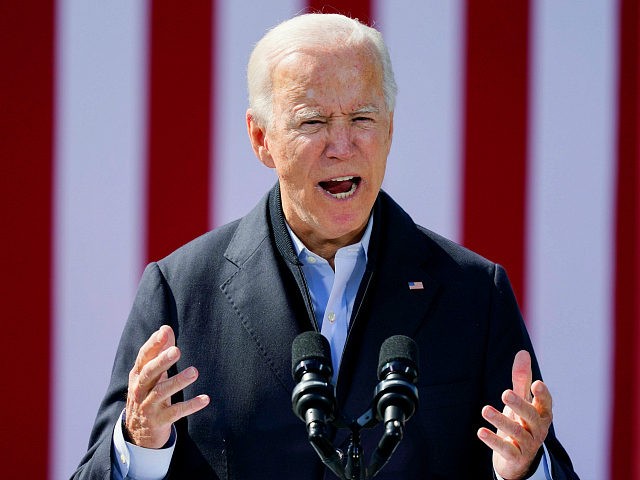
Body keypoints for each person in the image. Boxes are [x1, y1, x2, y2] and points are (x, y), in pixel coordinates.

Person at [73, 13, 578, 479]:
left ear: (390, 130)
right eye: (313, 122)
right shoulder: (182, 291)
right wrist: (139, 444)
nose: (342, 145)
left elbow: (537, 459)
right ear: (261, 138)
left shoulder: (474, 292)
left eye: (362, 118)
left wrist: (526, 468)